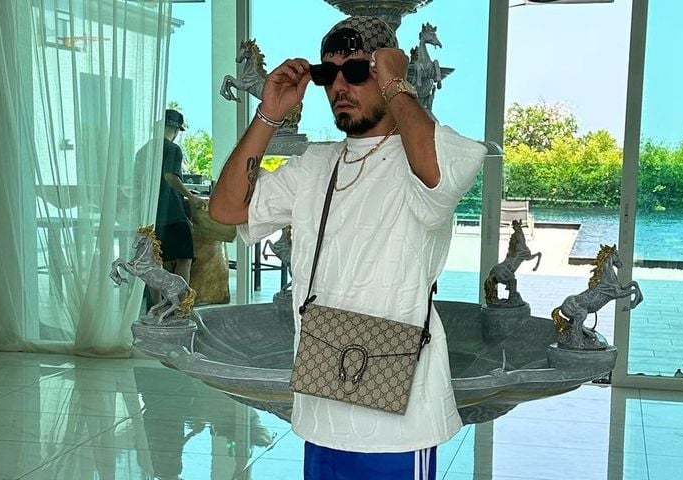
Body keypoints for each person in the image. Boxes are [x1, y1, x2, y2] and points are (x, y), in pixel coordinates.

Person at [209, 16, 486, 480]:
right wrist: (269, 113)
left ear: (385, 70)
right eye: (327, 74)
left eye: (356, 71)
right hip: (323, 401)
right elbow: (226, 208)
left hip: (400, 418)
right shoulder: (315, 165)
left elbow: (440, 174)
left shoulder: (421, 158)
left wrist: (397, 82)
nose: (340, 85)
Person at [135, 109, 204, 306]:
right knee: (184, 259)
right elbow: (170, 177)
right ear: (175, 130)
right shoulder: (172, 149)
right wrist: (191, 196)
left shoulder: (143, 151)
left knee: (155, 263)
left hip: (149, 215)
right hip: (172, 213)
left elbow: (137, 184)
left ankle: (156, 306)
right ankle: (180, 306)